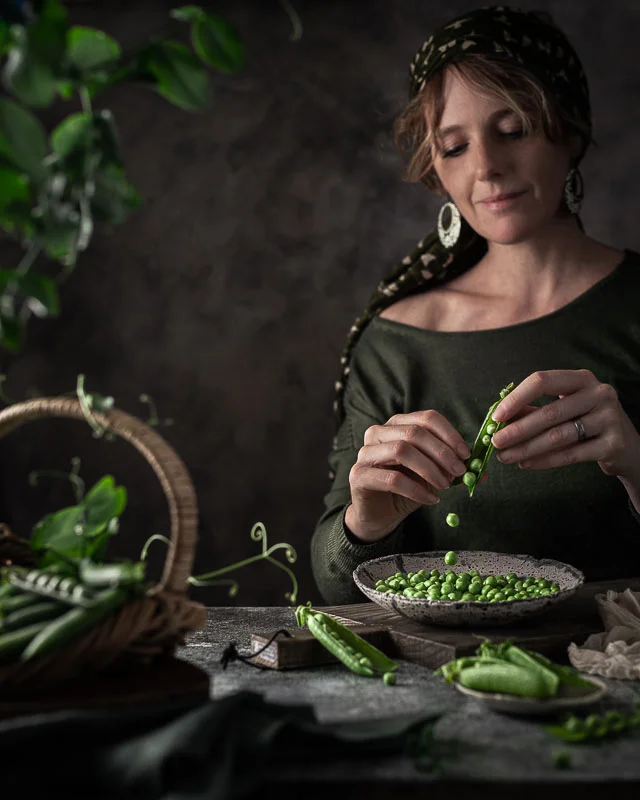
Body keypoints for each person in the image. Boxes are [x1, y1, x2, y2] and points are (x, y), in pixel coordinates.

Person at [311, 5, 640, 605]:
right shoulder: (396, 342)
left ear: (568, 131)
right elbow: (337, 586)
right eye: (454, 146)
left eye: (511, 130)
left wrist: (638, 466)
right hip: (453, 680)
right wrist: (367, 522)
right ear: (435, 169)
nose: (486, 167)